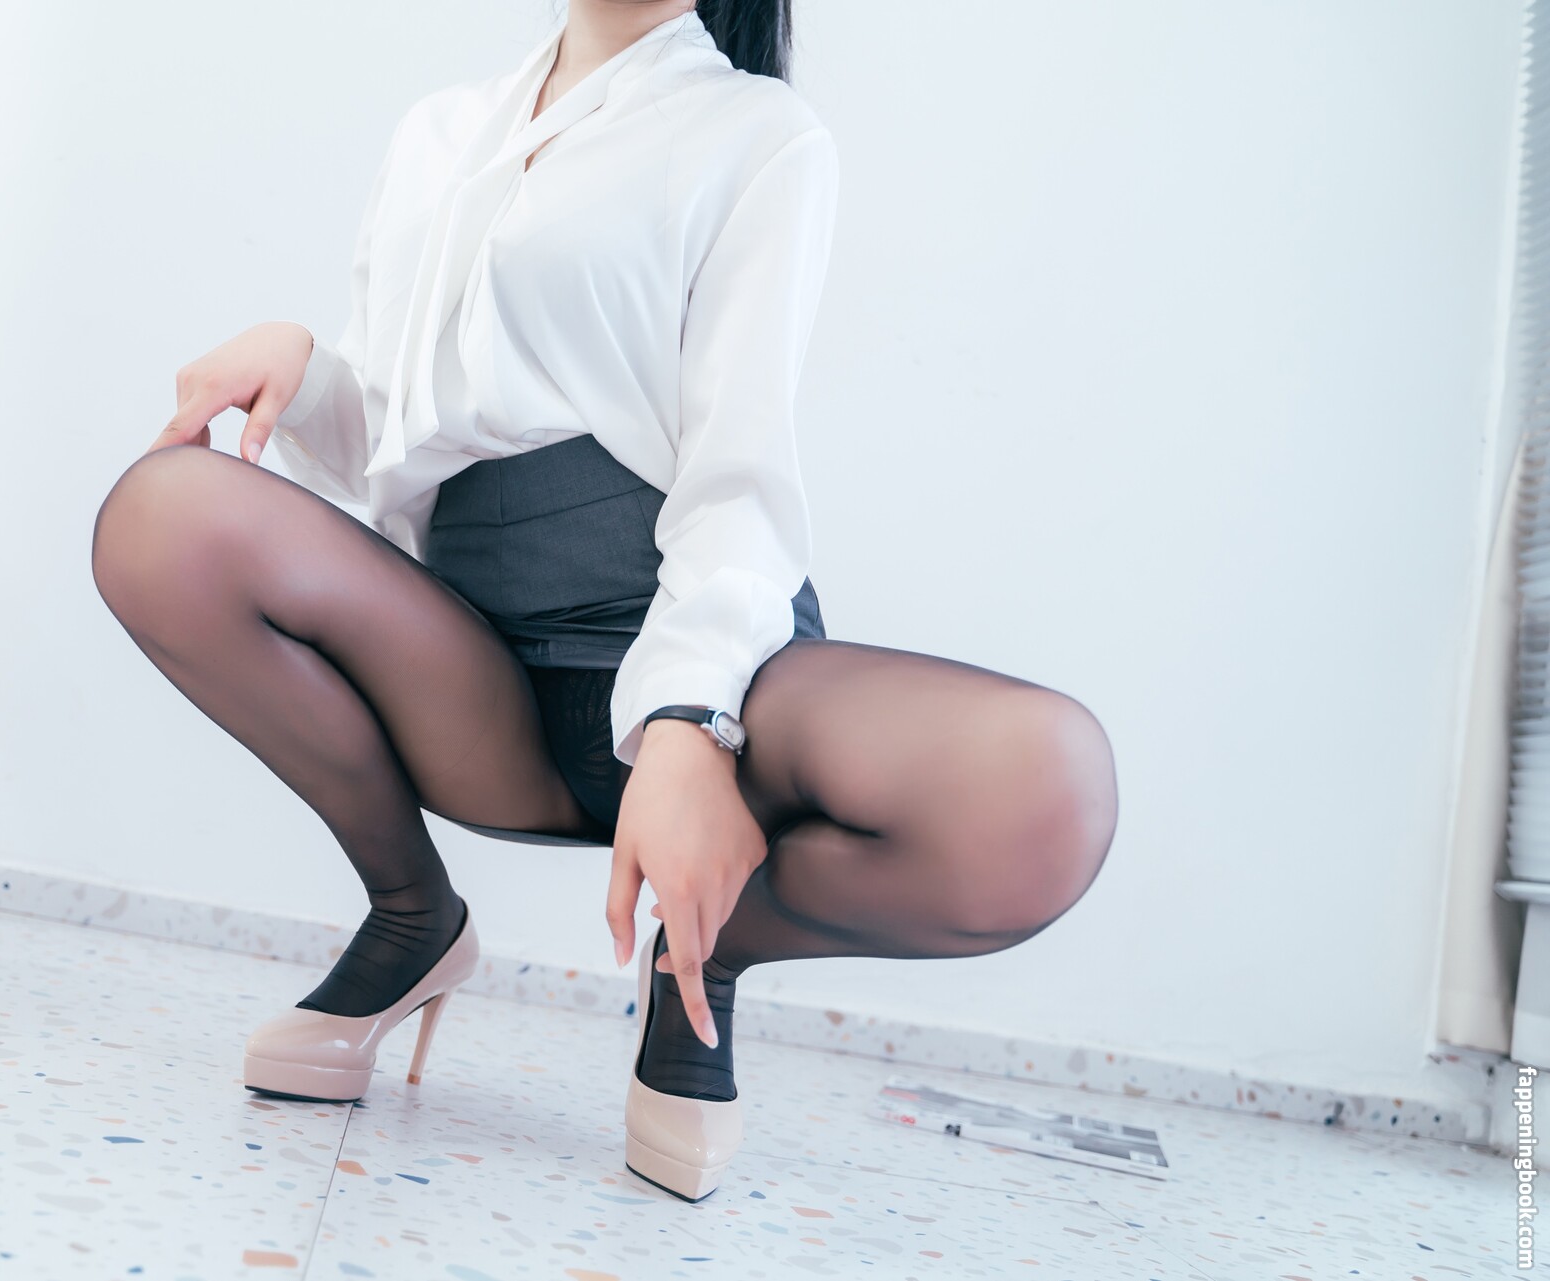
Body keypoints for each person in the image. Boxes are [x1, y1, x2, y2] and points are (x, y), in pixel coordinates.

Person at [90, 0, 1118, 1202]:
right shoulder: (440, 133)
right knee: (165, 515)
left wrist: (690, 723)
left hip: (698, 648)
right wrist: (309, 373)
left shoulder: (757, 133)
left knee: (1048, 784)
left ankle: (707, 948)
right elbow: (402, 451)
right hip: (480, 671)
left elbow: (739, 468)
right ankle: (411, 917)